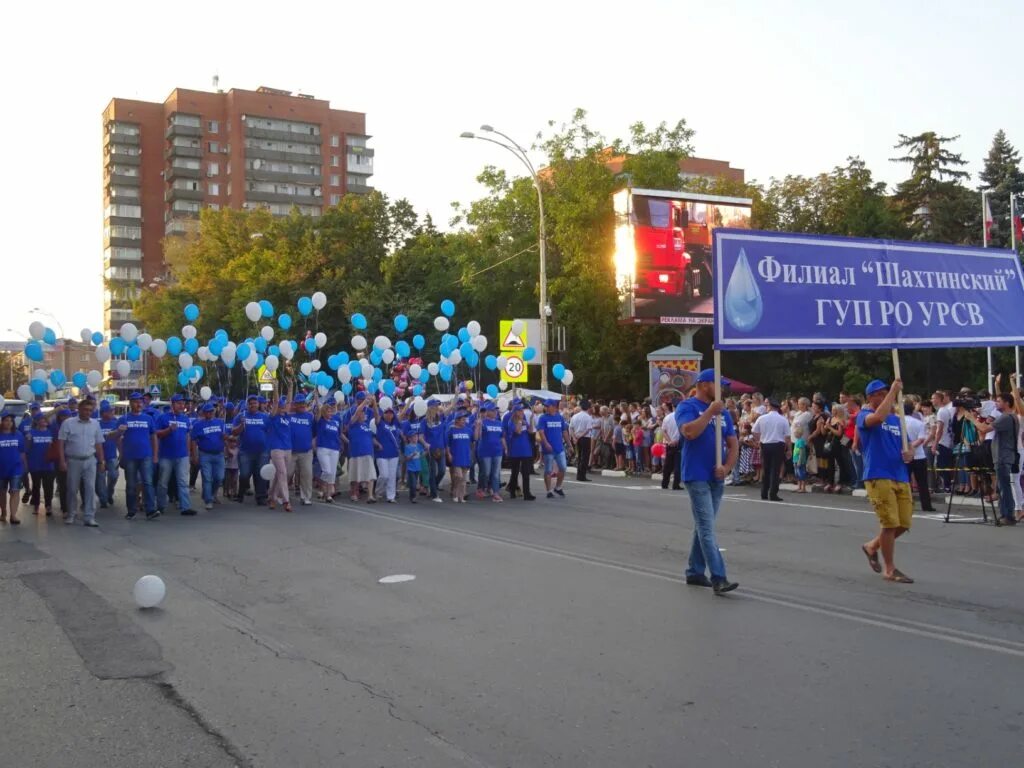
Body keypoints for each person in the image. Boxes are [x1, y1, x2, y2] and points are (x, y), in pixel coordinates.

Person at [675, 369, 739, 595]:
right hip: (696, 475)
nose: (722, 389)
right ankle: (719, 577)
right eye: (717, 384)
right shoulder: (687, 407)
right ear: (703, 384)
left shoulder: (724, 413)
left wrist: (727, 467)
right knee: (707, 527)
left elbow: (733, 444)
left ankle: (694, 571)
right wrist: (710, 413)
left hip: (716, 476)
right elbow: (689, 432)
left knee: (703, 526)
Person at [858, 379, 914, 584]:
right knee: (889, 523)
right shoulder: (864, 416)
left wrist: (910, 452)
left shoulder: (897, 420)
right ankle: (890, 569)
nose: (883, 397)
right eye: (879, 394)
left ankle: (872, 546)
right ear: (870, 397)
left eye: (885, 393)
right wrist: (893, 391)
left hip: (900, 474)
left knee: (904, 523)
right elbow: (878, 417)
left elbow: (907, 446)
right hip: (878, 474)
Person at [54, 398, 105, 527]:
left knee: (90, 488)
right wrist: (62, 461)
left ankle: (89, 516)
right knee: (72, 489)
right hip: (73, 460)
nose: (88, 412)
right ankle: (71, 514)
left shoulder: (95, 424)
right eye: (85, 410)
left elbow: (98, 443)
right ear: (79, 409)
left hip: (90, 460)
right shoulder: (68, 423)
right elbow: (61, 443)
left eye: (90, 410)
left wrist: (101, 461)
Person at [975, 392, 1019, 526]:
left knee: (1004, 487)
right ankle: (1004, 513)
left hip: (1002, 455)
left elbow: (984, 428)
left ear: (1006, 403)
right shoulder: (1011, 417)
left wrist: (971, 418)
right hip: (1004, 454)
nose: (996, 404)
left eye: (999, 401)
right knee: (1002, 487)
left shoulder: (1006, 417)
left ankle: (1008, 515)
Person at [117, 393, 159, 521]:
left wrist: (155, 455)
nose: (139, 404)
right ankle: (131, 510)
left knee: (147, 483)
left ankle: (150, 510)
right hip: (130, 457)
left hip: (146, 455)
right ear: (130, 403)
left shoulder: (148, 419)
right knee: (131, 484)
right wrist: (121, 454)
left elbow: (153, 437)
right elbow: (117, 438)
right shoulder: (124, 419)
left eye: (140, 401)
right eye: (135, 401)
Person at [155, 394, 192, 516]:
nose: (182, 406)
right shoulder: (163, 418)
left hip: (182, 456)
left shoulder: (185, 419)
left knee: (183, 482)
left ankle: (185, 507)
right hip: (166, 456)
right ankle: (161, 506)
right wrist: (169, 430)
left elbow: (187, 436)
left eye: (183, 403)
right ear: (173, 404)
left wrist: (188, 453)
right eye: (179, 403)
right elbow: (157, 434)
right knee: (163, 482)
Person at [233, 395, 270, 505]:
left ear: (258, 404)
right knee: (244, 474)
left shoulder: (265, 417)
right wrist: (241, 425)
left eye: (255, 403)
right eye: (250, 403)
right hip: (245, 451)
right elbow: (234, 432)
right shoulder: (241, 416)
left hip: (262, 451)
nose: (253, 405)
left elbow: (270, 432)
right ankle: (240, 493)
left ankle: (261, 497)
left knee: (261, 475)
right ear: (247, 405)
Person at [191, 402, 226, 512]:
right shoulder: (198, 425)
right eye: (207, 412)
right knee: (207, 478)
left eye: (211, 411)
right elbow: (193, 441)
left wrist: (228, 444)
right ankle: (208, 500)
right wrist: (194, 455)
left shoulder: (220, 422)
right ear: (203, 413)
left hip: (219, 454)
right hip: (205, 454)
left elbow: (223, 436)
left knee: (219, 477)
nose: (210, 413)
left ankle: (211, 494)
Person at [752, 397, 789, 501]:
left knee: (766, 469)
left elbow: (754, 431)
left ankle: (764, 492)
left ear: (770, 407)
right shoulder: (783, 419)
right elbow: (787, 436)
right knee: (775, 470)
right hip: (778, 445)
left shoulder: (762, 418)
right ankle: (773, 493)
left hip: (765, 445)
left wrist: (758, 441)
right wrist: (789, 449)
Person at [346, 392, 379, 503]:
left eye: (363, 414)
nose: (363, 415)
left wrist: (373, 403)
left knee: (370, 474)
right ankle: (354, 493)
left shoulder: (366, 425)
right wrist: (366, 401)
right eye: (361, 413)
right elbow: (356, 412)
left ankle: (370, 495)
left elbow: (376, 417)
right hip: (355, 452)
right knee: (355, 475)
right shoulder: (353, 423)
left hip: (368, 452)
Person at [903, 402, 935, 512]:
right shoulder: (918, 423)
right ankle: (926, 505)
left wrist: (906, 449)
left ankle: (906, 504)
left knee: (905, 482)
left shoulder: (899, 423)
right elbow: (921, 439)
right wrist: (912, 447)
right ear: (913, 411)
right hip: (919, 455)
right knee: (922, 482)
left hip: (904, 455)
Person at [537, 399, 569, 498]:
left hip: (559, 448)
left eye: (548, 406)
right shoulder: (543, 418)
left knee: (563, 467)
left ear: (554, 407)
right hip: (548, 449)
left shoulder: (559, 417)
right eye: (545, 406)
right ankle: (548, 491)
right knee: (548, 470)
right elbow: (541, 432)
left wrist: (570, 444)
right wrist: (546, 443)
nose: (545, 408)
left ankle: (558, 487)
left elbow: (564, 431)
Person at [266, 395, 293, 512]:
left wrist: (291, 385)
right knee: (282, 473)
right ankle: (286, 501)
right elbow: (276, 402)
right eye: (280, 407)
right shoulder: (273, 417)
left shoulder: (288, 417)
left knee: (279, 475)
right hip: (276, 448)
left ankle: (272, 497)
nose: (283, 408)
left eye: (284, 407)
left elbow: (289, 401)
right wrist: (276, 388)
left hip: (288, 448)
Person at [0, 412, 28, 525]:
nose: (9, 423)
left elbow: (22, 453)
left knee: (15, 491)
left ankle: (13, 515)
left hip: (16, 468)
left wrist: (25, 467)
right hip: (1, 469)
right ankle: (4, 512)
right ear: (2, 421)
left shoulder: (18, 434)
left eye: (11, 421)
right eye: (6, 420)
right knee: (2, 492)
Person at [475, 402, 506, 502]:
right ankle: (481, 488)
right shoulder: (482, 422)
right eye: (493, 410)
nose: (495, 412)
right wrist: (478, 426)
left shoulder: (499, 423)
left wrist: (506, 448)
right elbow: (477, 437)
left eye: (496, 410)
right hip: (485, 452)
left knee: (496, 473)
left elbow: (502, 437)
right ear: (487, 412)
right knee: (486, 473)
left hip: (497, 451)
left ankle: (495, 493)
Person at [26, 413, 56, 516]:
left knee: (49, 487)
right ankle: (36, 506)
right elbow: (27, 448)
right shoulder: (31, 433)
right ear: (37, 421)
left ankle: (48, 506)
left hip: (49, 464)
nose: (44, 421)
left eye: (45, 420)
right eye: (41, 420)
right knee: (36, 486)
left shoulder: (51, 432)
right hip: (35, 464)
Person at [505, 403, 535, 501]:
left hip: (525, 449)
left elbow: (531, 431)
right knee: (515, 472)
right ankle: (512, 490)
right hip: (515, 450)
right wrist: (519, 421)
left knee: (526, 472)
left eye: (522, 410)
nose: (522, 412)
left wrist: (530, 420)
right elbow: (518, 431)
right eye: (520, 411)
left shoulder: (524, 420)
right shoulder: (511, 422)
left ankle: (527, 493)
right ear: (515, 412)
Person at [315, 402, 343, 503]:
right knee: (327, 471)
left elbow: (338, 435)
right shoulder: (320, 421)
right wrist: (318, 402)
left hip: (334, 449)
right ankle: (322, 488)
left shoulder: (334, 422)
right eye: (328, 411)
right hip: (323, 448)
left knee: (332, 472)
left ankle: (328, 495)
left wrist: (341, 445)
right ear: (323, 412)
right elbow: (318, 414)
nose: (330, 413)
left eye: (331, 411)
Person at [375, 406, 402, 503]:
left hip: (393, 453)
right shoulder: (380, 423)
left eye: (391, 413)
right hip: (381, 454)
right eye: (387, 412)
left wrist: (410, 402)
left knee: (392, 476)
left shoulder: (396, 423)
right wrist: (374, 402)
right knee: (384, 475)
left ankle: (391, 496)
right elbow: (376, 413)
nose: (389, 414)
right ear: (383, 414)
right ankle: (378, 491)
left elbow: (401, 415)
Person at [96, 401, 120, 508]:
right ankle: (103, 499)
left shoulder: (115, 423)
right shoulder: (96, 424)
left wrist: (122, 453)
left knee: (114, 476)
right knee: (100, 480)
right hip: (99, 457)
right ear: (103, 413)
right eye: (110, 411)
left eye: (112, 411)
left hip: (112, 455)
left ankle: (109, 493)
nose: (112, 412)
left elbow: (119, 439)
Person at [446, 409, 473, 503]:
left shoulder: (468, 430)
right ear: (457, 420)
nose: (464, 421)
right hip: (456, 456)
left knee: (464, 479)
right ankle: (455, 492)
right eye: (462, 419)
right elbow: (447, 444)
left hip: (465, 456)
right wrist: (448, 453)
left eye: (464, 419)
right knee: (459, 476)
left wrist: (477, 426)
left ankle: (461, 497)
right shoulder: (451, 430)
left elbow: (474, 440)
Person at [569, 400, 594, 481]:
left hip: (576, 437)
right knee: (585, 457)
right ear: (588, 408)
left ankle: (578, 474)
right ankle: (582, 475)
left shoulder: (575, 416)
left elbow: (571, 428)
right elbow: (588, 429)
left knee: (579, 456)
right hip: (585, 438)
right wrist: (580, 436)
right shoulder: (588, 417)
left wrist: (574, 437)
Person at [661, 404, 682, 490]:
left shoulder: (667, 417)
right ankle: (676, 484)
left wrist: (669, 441)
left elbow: (663, 431)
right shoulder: (682, 417)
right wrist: (677, 441)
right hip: (678, 443)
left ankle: (664, 483)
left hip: (669, 444)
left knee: (667, 464)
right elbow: (683, 431)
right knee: (678, 464)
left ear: (673, 407)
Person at [792, 424, 809, 493]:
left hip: (800, 460)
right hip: (795, 459)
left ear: (799, 434)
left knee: (802, 474)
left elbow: (801, 452)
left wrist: (799, 460)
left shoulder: (801, 441)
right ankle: (799, 486)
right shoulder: (797, 441)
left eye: (796, 433)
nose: (794, 434)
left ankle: (803, 488)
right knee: (797, 474)